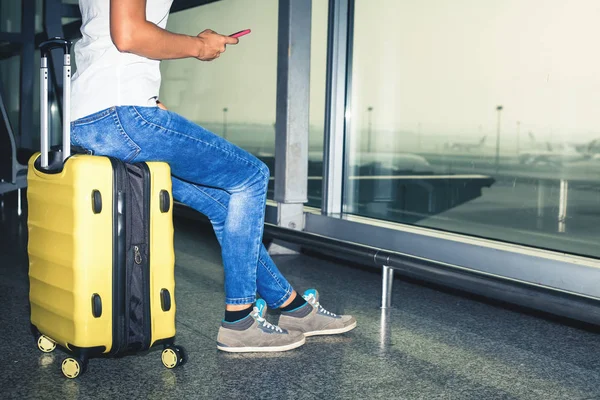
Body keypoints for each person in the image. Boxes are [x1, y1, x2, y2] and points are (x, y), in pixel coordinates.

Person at [70, 0, 356, 353]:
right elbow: (128, 34)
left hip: (90, 119)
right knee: (251, 176)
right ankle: (240, 319)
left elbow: (107, 33)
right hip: (122, 112)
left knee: (224, 203)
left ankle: (292, 306)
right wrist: (199, 46)